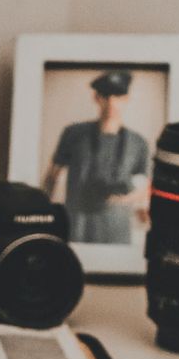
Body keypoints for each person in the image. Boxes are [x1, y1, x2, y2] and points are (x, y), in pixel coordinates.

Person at [42, 70, 151, 244]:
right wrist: (43, 215)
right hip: (78, 225)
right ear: (96, 98)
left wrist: (123, 199)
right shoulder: (74, 134)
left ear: (126, 99)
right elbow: (52, 176)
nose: (112, 103)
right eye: (105, 96)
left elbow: (145, 189)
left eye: (118, 96)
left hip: (117, 228)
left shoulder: (138, 143)